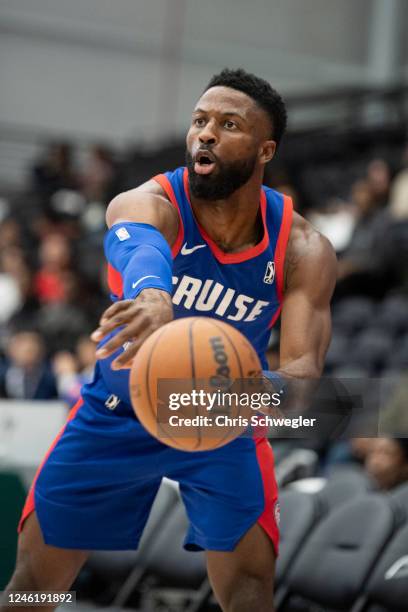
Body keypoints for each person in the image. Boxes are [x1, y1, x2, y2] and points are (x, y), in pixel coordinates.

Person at [2, 68, 336, 612]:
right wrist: (155, 296)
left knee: (251, 593)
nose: (205, 133)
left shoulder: (302, 249)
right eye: (199, 121)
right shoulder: (145, 203)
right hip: (118, 414)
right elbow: (142, 250)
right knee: (35, 588)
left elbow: (303, 381)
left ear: (265, 150)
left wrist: (232, 397)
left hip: (221, 422)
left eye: (229, 125)